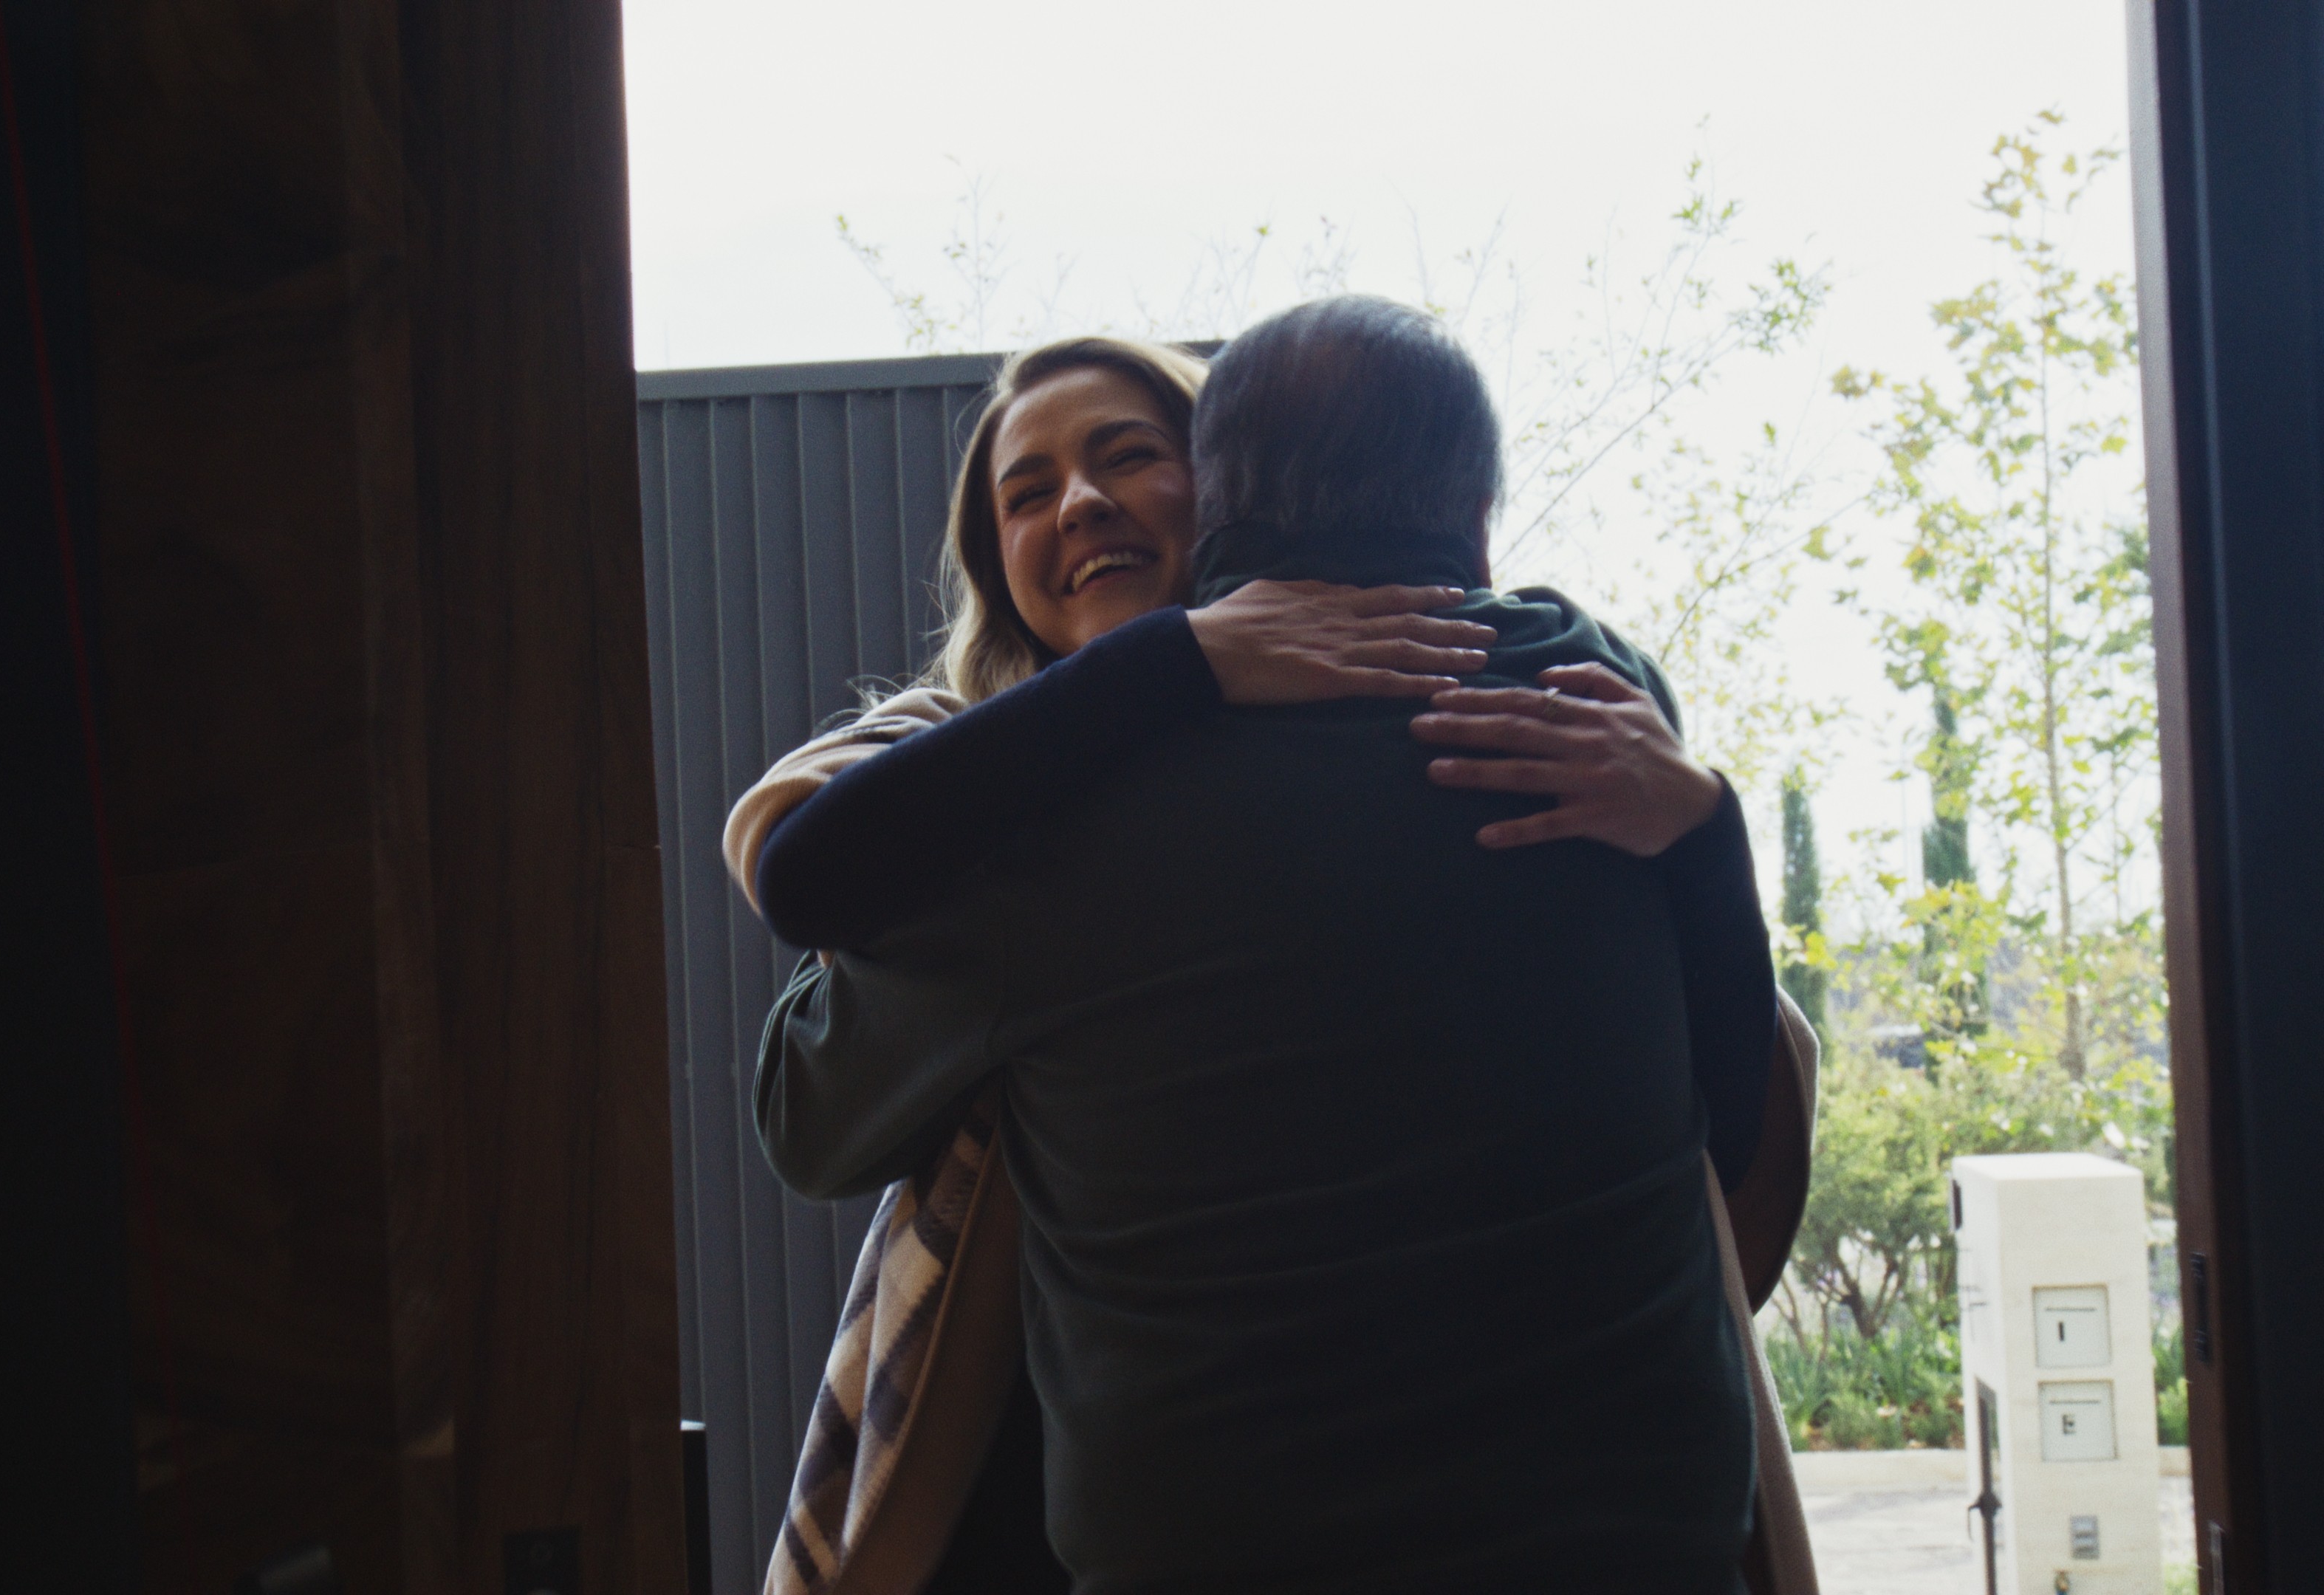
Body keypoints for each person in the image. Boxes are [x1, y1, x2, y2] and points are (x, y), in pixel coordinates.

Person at [731, 331, 1814, 1592]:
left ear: (1225, 491)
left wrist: (1703, 823)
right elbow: (802, 879)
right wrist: (1166, 669)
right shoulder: (1580, 678)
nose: (1078, 504)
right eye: (1026, 494)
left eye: (1128, 456)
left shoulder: (1044, 847)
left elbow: (804, 1100)